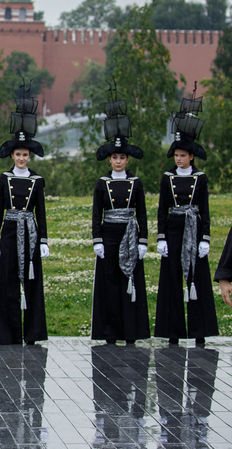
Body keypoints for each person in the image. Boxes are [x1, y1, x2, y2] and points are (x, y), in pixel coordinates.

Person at [155, 95, 218, 344]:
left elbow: (205, 209)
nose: (179, 159)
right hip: (173, 230)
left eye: (183, 155)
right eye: (176, 155)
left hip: (193, 228)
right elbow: (162, 209)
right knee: (171, 278)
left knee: (197, 277)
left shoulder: (200, 178)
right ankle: (173, 332)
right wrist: (161, 236)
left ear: (192, 156)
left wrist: (205, 238)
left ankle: (199, 331)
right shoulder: (167, 178)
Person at [90, 92, 150, 344]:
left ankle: (130, 333)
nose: (118, 161)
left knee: (130, 284)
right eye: (114, 157)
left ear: (127, 159)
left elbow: (142, 213)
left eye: (122, 157)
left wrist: (144, 240)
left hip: (129, 234)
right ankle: (109, 333)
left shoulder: (135, 183)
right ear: (110, 159)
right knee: (110, 284)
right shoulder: (102, 184)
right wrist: (97, 240)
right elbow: (96, 213)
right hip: (109, 234)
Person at [0, 90, 49, 345]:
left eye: (26, 155)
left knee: (33, 279)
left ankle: (33, 333)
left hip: (31, 231)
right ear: (12, 156)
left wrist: (44, 240)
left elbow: (41, 212)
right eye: (18, 155)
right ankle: (9, 333)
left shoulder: (37, 180)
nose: (22, 158)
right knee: (9, 280)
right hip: (10, 231)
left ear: (30, 156)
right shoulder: (4, 179)